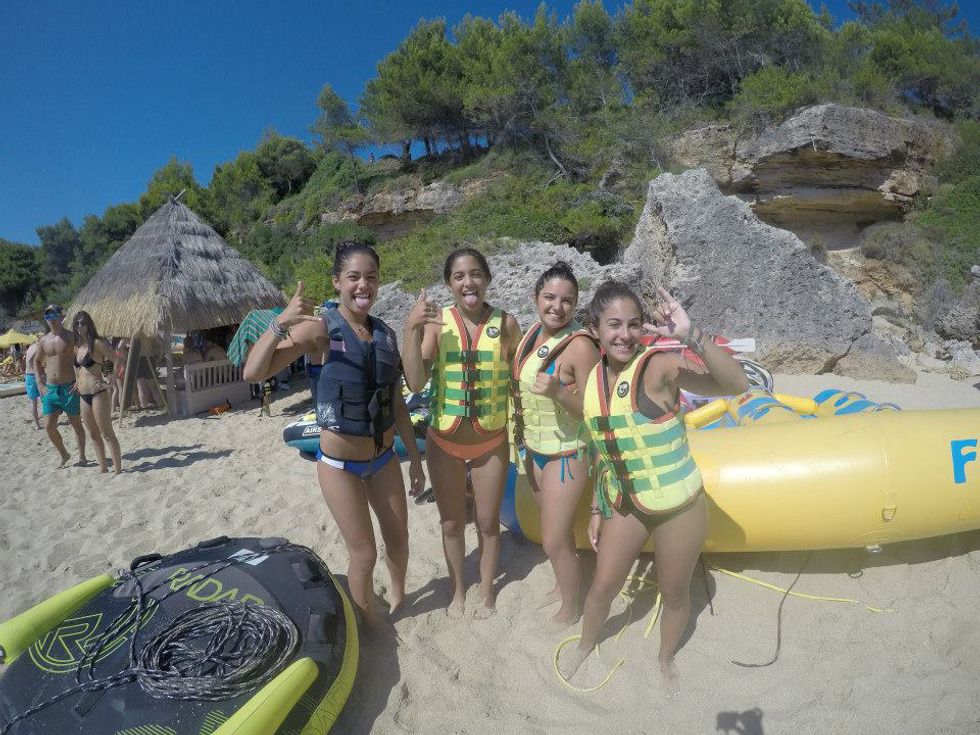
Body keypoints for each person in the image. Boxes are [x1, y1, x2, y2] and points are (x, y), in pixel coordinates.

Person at [559, 281, 748, 693]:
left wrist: (692, 336)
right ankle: (586, 644)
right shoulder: (592, 382)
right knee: (603, 586)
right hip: (628, 504)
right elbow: (606, 450)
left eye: (633, 324)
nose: (624, 334)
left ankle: (665, 659)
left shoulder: (659, 367)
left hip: (680, 508)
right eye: (614, 325)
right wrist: (597, 508)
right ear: (595, 328)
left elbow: (736, 385)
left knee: (675, 593)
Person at [243, 241, 425, 633]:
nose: (363, 285)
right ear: (337, 282)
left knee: (399, 540)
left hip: (383, 460)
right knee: (364, 555)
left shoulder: (386, 334)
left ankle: (398, 597)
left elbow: (397, 404)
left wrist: (415, 459)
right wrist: (281, 323)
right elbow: (253, 373)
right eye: (354, 277)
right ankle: (370, 624)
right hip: (340, 466)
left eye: (371, 277)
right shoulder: (320, 328)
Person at [402, 248, 521, 617]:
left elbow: (519, 382)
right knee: (452, 523)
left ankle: (486, 591)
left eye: (475, 274)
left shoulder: (508, 324)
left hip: (491, 443)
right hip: (444, 444)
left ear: (487, 278)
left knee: (487, 523)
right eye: (459, 276)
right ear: (449, 284)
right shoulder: (437, 324)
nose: (468, 283)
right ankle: (457, 592)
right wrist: (411, 329)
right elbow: (416, 382)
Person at [511, 262, 600, 625]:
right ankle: (565, 587)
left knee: (553, 540)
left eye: (567, 300)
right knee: (555, 533)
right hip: (534, 449)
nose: (557, 307)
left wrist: (560, 392)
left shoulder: (581, 346)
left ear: (576, 304)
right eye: (549, 297)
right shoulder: (532, 333)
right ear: (536, 298)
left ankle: (571, 606)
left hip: (568, 452)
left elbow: (595, 412)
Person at [34, 305, 87, 467]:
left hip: (69, 387)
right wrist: (39, 381)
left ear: (61, 316)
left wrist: (79, 378)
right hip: (50, 388)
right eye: (47, 316)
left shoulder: (71, 336)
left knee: (76, 423)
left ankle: (82, 456)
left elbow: (84, 356)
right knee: (49, 426)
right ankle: (64, 454)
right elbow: (36, 362)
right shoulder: (44, 340)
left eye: (53, 315)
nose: (50, 319)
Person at [72, 311, 123, 475]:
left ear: (89, 324)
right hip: (83, 395)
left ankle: (118, 470)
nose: (79, 326)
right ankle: (103, 468)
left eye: (83, 323)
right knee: (93, 434)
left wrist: (111, 381)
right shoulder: (77, 347)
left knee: (107, 433)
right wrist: (76, 380)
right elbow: (78, 367)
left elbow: (117, 359)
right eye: (77, 323)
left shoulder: (97, 343)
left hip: (98, 392)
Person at [25, 332, 45, 429]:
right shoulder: (39, 348)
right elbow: (39, 364)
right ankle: (47, 421)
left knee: (34, 403)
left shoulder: (31, 347)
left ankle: (37, 425)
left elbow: (30, 361)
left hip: (28, 376)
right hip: (36, 376)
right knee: (45, 400)